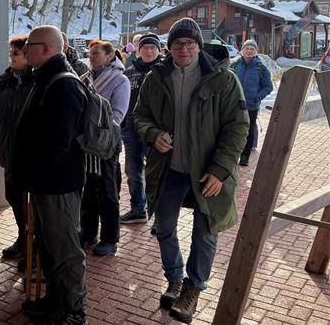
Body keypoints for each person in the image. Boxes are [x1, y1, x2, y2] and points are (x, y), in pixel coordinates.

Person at [134, 18, 248, 323]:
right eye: (177, 44)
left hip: (208, 172)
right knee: (164, 227)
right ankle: (174, 277)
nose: (183, 49)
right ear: (168, 48)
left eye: (189, 44)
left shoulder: (222, 79)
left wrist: (221, 169)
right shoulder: (156, 78)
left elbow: (238, 127)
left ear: (198, 46)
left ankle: (193, 288)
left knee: (205, 232)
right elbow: (140, 114)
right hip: (169, 169)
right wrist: (152, 133)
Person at [11, 26, 88, 325]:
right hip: (45, 183)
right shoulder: (44, 79)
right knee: (49, 245)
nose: (25, 49)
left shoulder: (62, 85)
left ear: (46, 49)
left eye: (30, 44)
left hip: (57, 184)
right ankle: (57, 300)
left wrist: (34, 172)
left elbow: (58, 142)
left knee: (65, 248)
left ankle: (74, 310)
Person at [0, 35, 33, 260]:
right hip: (8, 153)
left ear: (29, 55)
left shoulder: (39, 82)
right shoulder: (4, 80)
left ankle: (34, 246)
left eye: (16, 53)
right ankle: (23, 237)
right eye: (11, 53)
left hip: (32, 156)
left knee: (36, 204)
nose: (11, 57)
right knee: (14, 196)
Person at [79, 40, 130, 257]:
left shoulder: (120, 80)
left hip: (106, 146)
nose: (91, 57)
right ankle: (89, 232)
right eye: (90, 53)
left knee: (108, 192)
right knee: (87, 190)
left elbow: (117, 115)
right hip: (85, 146)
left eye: (96, 53)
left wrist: (91, 124)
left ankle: (110, 238)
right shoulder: (85, 78)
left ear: (110, 56)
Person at [119, 34, 163, 224]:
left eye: (153, 48)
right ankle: (138, 209)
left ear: (159, 51)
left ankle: (161, 218)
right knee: (132, 171)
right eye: (145, 48)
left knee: (157, 174)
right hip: (131, 130)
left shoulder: (165, 72)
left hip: (156, 132)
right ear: (138, 50)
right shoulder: (129, 73)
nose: (149, 51)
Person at [231, 40, 273, 166]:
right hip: (234, 106)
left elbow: (268, 87)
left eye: (252, 49)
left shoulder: (261, 68)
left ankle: (245, 156)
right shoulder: (235, 65)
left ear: (256, 52)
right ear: (242, 51)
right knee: (233, 131)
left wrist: (257, 97)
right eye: (247, 49)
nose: (249, 51)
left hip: (251, 106)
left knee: (248, 132)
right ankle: (233, 155)